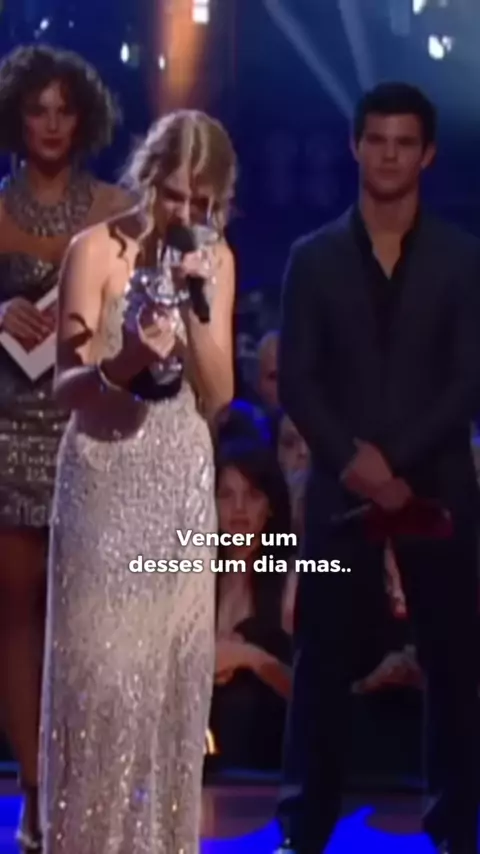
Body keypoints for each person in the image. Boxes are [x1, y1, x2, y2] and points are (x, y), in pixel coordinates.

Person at [276, 83, 480, 854]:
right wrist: (353, 461)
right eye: (377, 140)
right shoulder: (312, 258)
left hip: (439, 487)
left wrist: (393, 461)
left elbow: (468, 379)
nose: (389, 155)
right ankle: (303, 828)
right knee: (321, 659)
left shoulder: (465, 259)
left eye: (404, 143)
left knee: (454, 663)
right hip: (342, 487)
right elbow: (298, 381)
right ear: (355, 147)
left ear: (426, 154)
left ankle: (456, 828)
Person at [39, 109, 237, 854]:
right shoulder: (94, 250)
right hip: (103, 478)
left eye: (200, 200)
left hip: (179, 477)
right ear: (147, 178)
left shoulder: (216, 258)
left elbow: (219, 392)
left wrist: (195, 303)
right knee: (102, 683)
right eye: (172, 194)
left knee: (166, 690)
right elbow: (67, 387)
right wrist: (124, 362)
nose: (183, 212)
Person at [0, 44, 127, 851]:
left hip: (90, 434)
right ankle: (35, 795)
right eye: (36, 109)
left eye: (63, 110)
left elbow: (145, 314)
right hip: (7, 431)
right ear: (16, 118)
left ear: (84, 119)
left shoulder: (117, 207)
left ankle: (82, 781)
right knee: (17, 618)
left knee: (83, 620)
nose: (50, 124)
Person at [211, 439, 295, 769]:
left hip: (265, 761)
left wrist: (250, 658)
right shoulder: (193, 579)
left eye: (252, 495)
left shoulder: (291, 580)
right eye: (226, 495)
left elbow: (314, 700)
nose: (239, 509)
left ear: (270, 506)